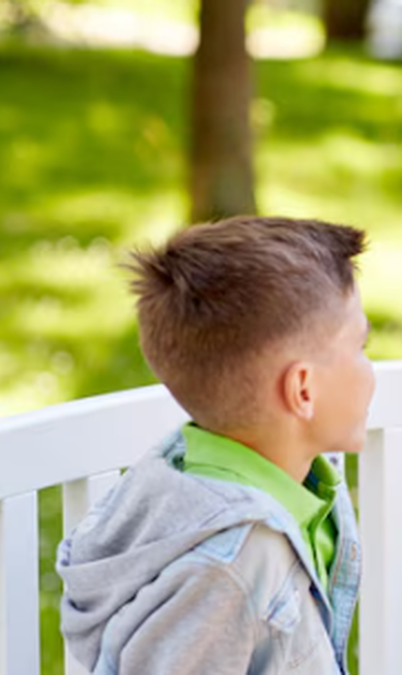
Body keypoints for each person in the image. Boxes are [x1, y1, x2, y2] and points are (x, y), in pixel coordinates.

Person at [57, 216, 375, 674]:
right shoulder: (227, 568)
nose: (369, 368)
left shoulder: (296, 482)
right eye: (361, 346)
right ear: (303, 390)